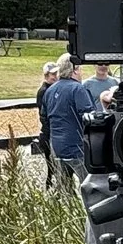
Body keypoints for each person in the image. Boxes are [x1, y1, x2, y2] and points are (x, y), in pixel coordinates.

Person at [37, 56, 96, 189]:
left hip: (57, 147)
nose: (81, 73)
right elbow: (90, 118)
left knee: (64, 189)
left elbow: (44, 117)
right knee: (89, 188)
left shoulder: (49, 90)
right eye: (80, 69)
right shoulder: (78, 89)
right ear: (74, 70)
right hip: (78, 147)